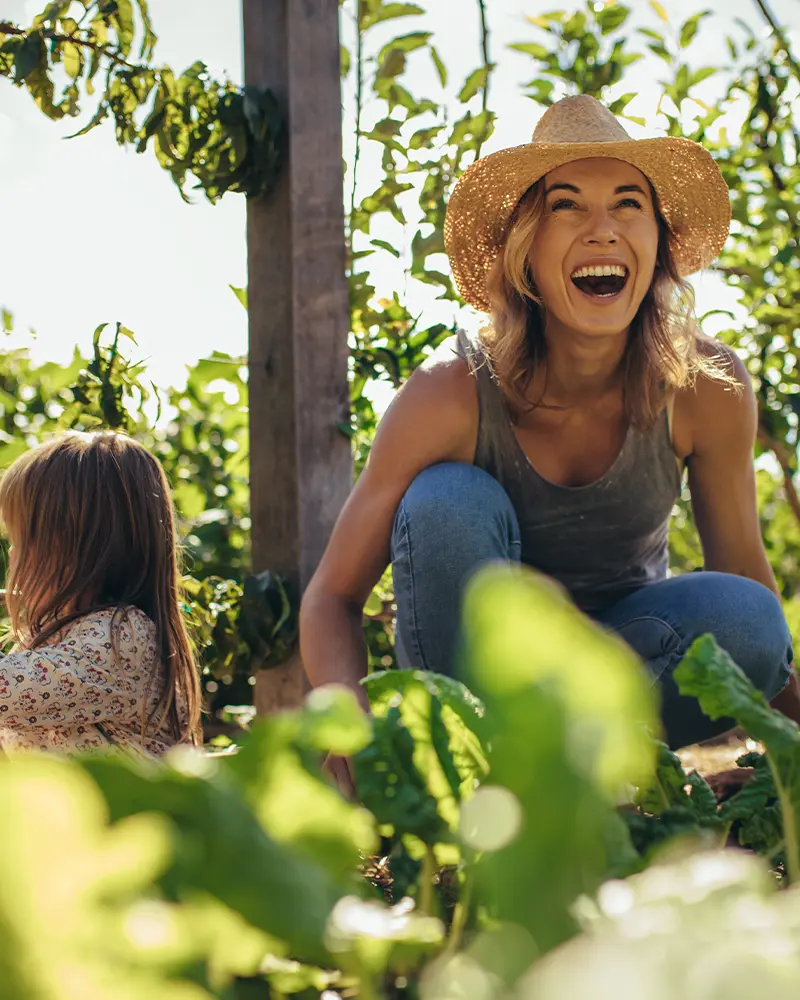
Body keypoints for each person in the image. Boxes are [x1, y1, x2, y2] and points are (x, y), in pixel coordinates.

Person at [300, 94, 800, 792]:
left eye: (629, 204)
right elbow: (330, 596)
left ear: (657, 243)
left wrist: (796, 745)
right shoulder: (448, 394)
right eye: (567, 206)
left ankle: (576, 777)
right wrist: (345, 711)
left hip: (626, 671)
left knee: (750, 616)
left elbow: (747, 586)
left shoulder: (704, 388)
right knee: (448, 498)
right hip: (472, 692)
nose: (603, 229)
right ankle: (481, 780)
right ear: (525, 250)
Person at [0, 431, 202, 755]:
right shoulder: (49, 641)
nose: (11, 555)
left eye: (19, 539)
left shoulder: (120, 636)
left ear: (66, 548)